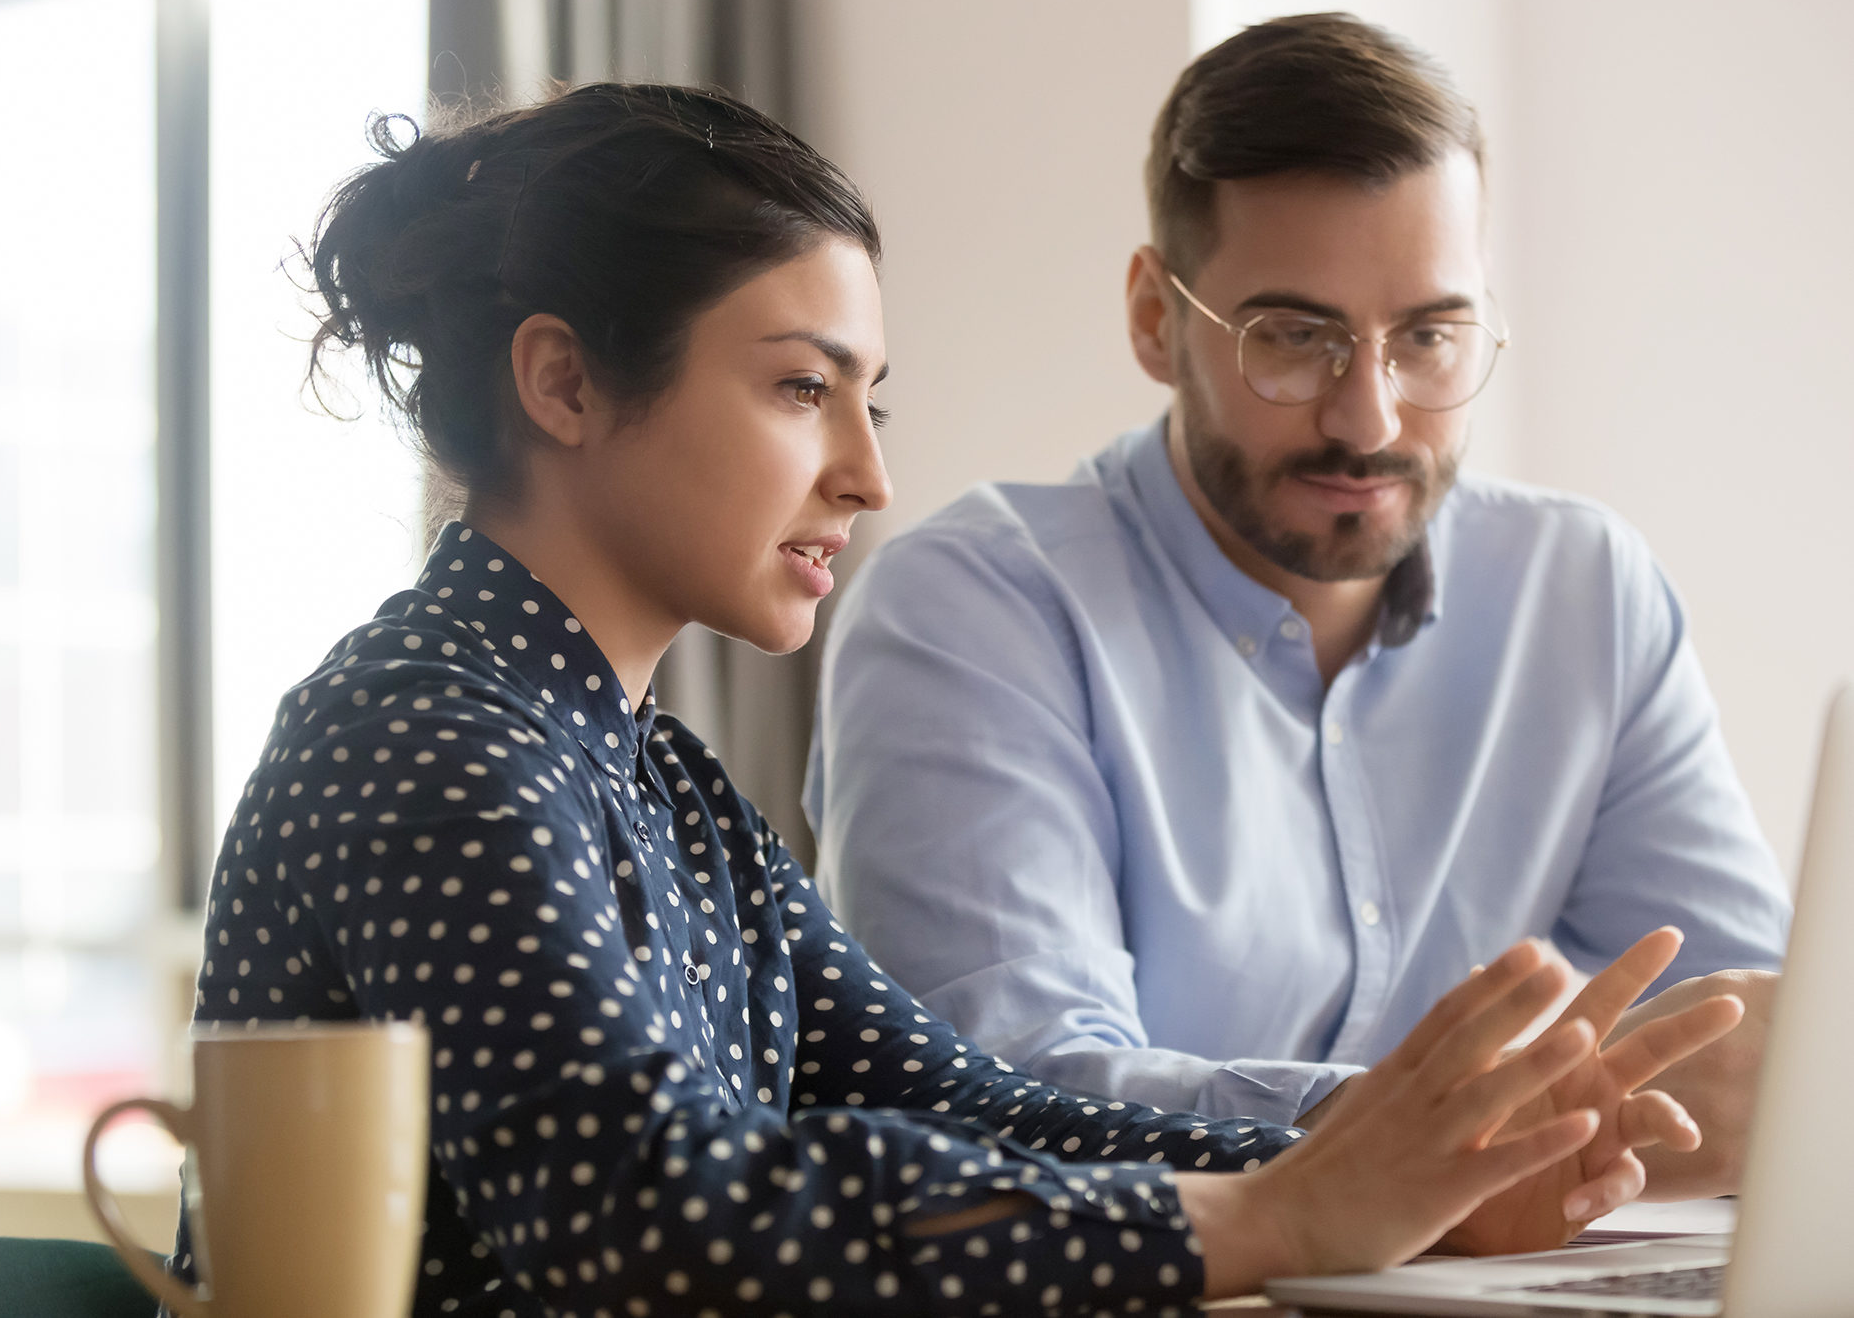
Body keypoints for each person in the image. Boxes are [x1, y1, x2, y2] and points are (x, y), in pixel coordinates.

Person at [172, 83, 1742, 1318]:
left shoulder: (664, 788)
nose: (870, 473)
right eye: (802, 387)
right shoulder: (426, 736)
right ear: (566, 383)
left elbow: (972, 1112)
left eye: (871, 399)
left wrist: (1405, 1171)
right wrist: (1280, 1213)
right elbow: (640, 1216)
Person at [804, 13, 1789, 1203]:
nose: (1366, 418)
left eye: (1429, 337)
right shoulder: (968, 610)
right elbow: (1013, 1096)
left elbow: (1751, 1052)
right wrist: (1446, 1135)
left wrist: (1576, 1125)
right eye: (1294, 337)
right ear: (1155, 319)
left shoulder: (1582, 591)